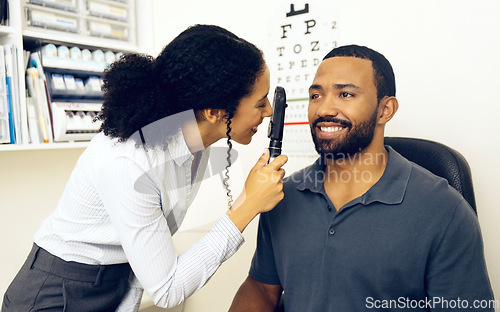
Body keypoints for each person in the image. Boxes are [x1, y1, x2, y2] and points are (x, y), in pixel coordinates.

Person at [2, 24, 288, 312]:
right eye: (260, 102)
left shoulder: (194, 143)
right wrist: (246, 206)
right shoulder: (129, 162)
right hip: (57, 294)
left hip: (114, 281)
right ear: (214, 112)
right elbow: (167, 290)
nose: (269, 112)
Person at [229, 45, 494, 311]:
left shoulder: (444, 211)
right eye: (316, 95)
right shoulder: (281, 195)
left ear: (385, 110)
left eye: (345, 94)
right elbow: (262, 288)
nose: (324, 109)